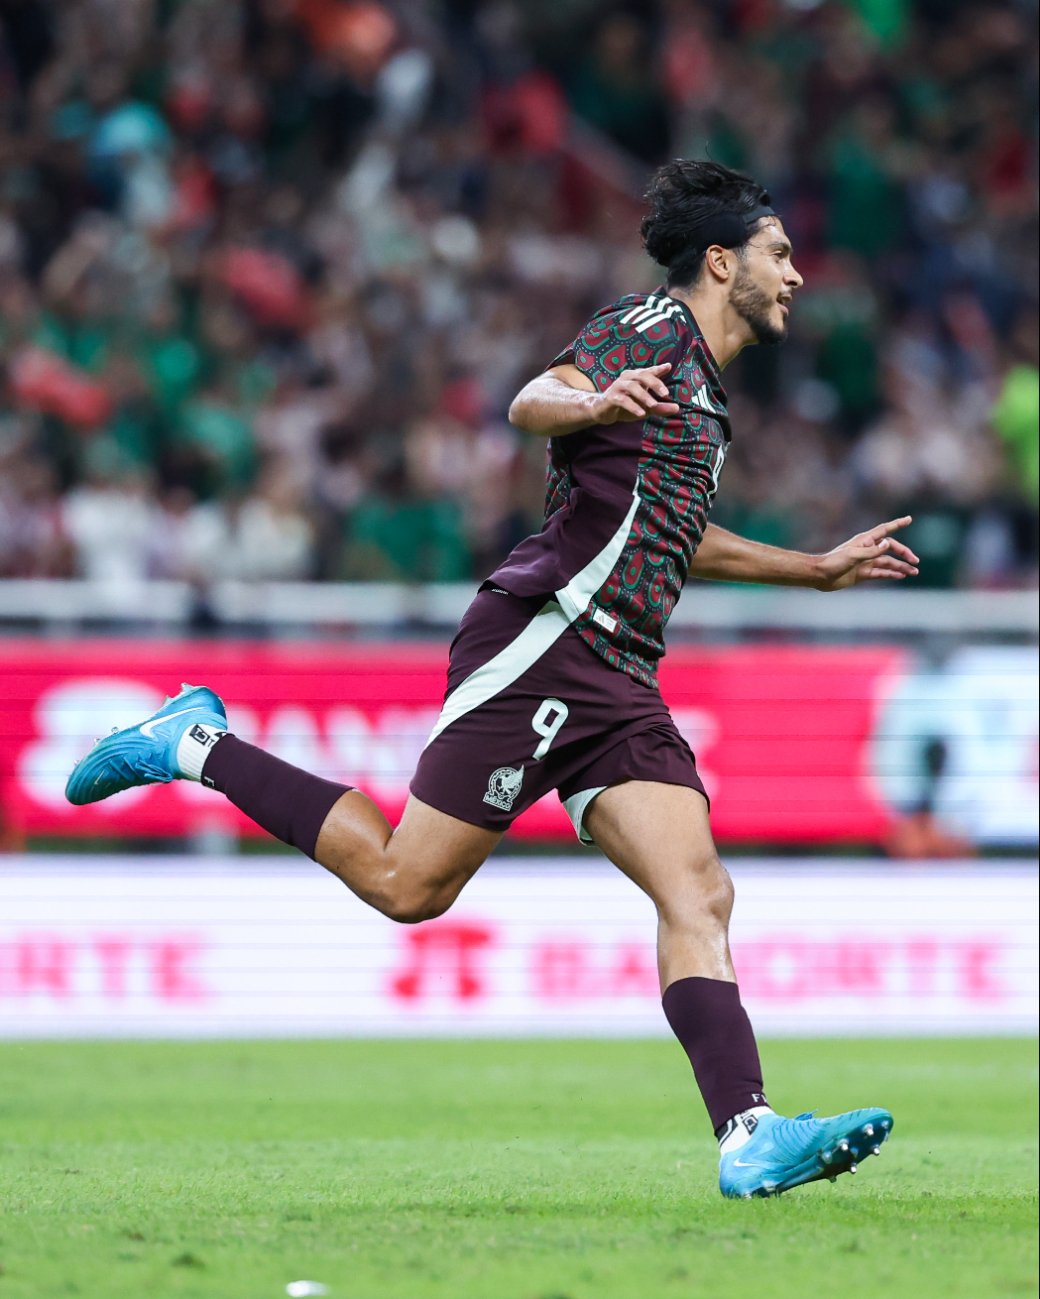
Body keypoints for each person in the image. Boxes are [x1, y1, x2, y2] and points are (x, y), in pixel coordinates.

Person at [66, 159, 915, 1198]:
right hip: (547, 637)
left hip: (620, 674)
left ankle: (746, 1134)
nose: (793, 276)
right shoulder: (651, 331)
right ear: (723, 260)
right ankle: (191, 741)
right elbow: (531, 399)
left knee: (698, 889)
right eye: (779, 257)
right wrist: (592, 398)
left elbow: (672, 537)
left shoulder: (704, 398)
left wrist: (813, 569)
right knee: (404, 884)